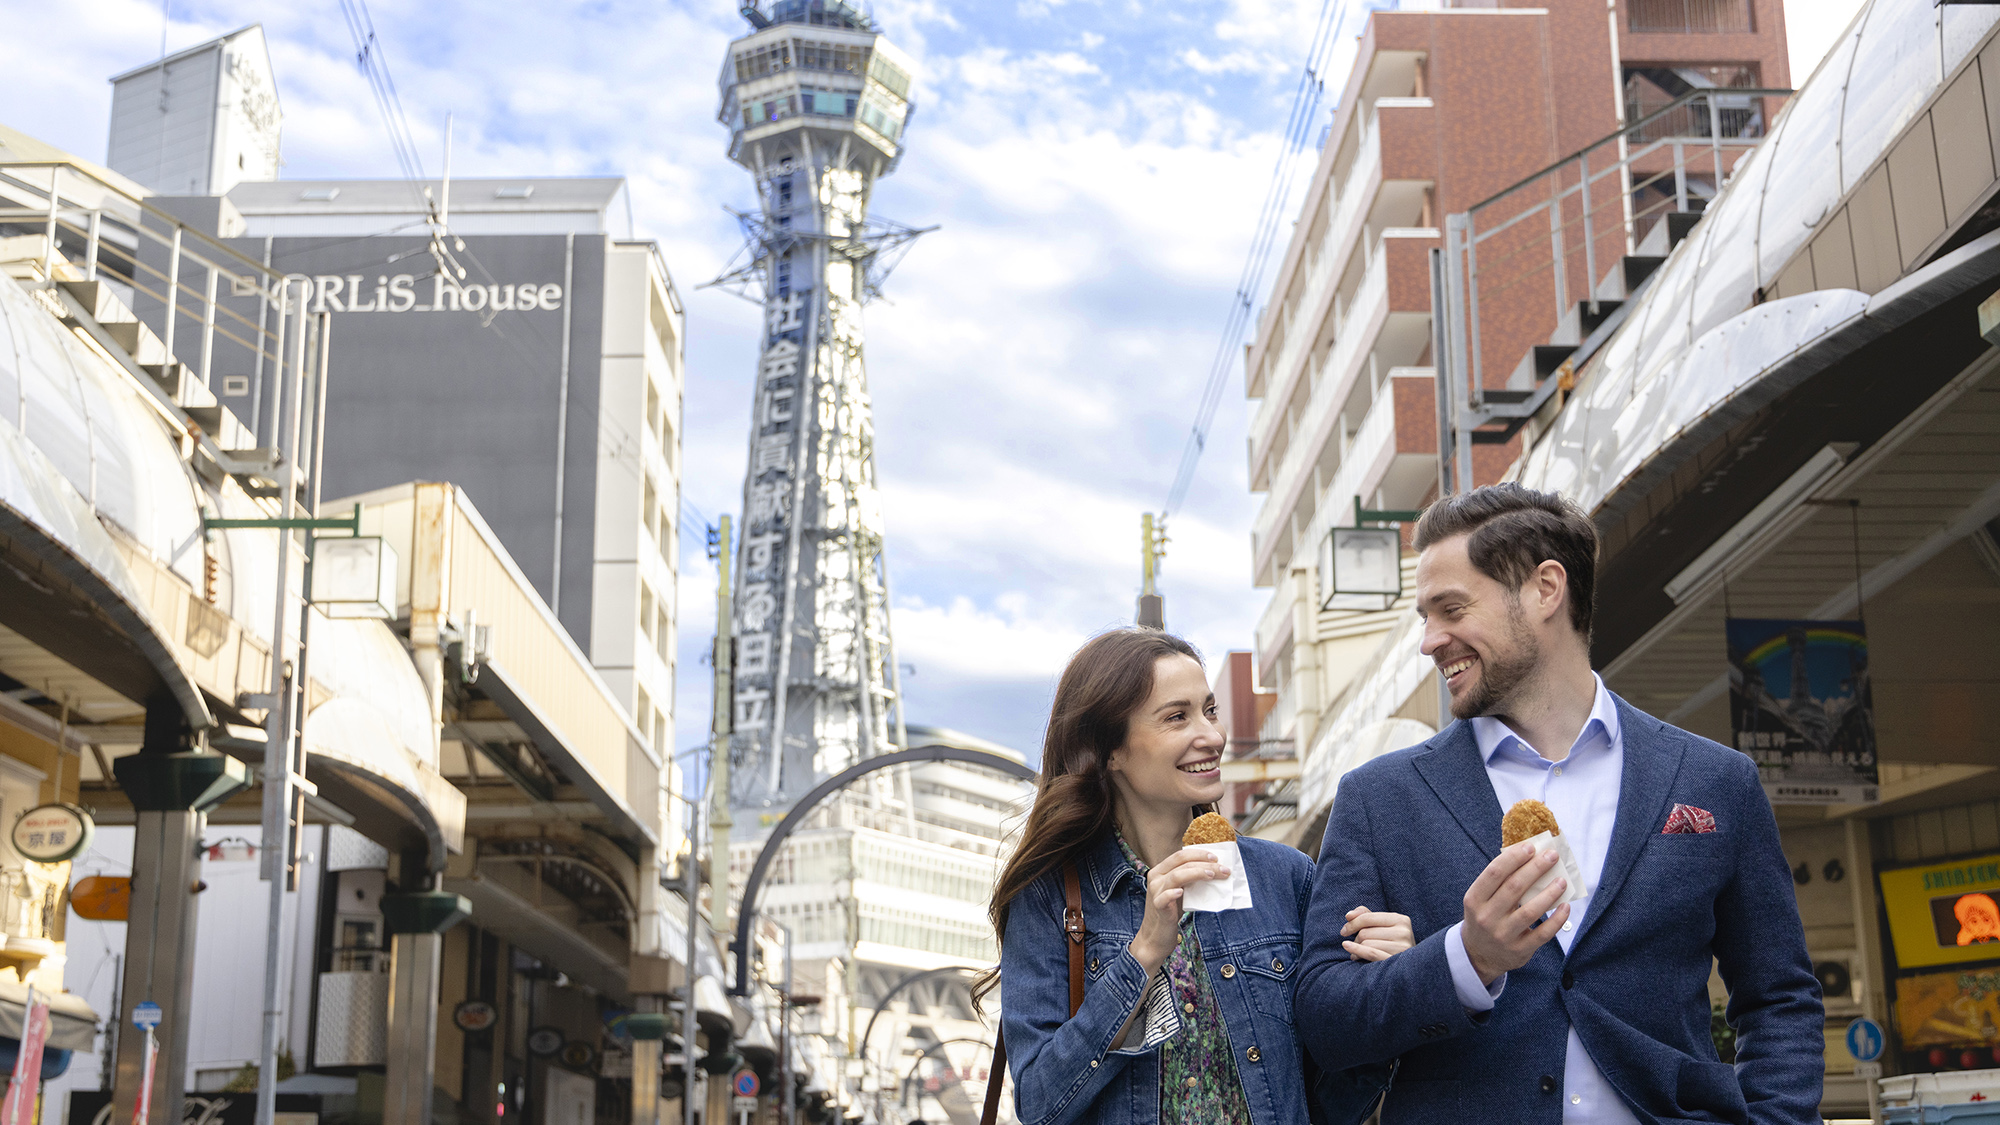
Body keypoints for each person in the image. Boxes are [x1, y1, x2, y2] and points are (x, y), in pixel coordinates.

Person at [1294, 484, 1824, 1124]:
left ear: (1546, 589)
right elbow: (1323, 1019)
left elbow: (1779, 997)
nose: (1430, 641)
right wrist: (1469, 958)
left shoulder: (1715, 780)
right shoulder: (1379, 799)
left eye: (1452, 609)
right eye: (1424, 618)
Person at [983, 628, 1413, 1125]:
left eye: (1209, 710)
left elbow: (1328, 1104)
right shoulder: (1048, 897)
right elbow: (1039, 1104)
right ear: (1109, 752)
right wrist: (1142, 955)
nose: (1212, 735)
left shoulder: (1285, 878)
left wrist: (1386, 992)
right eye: (1176, 717)